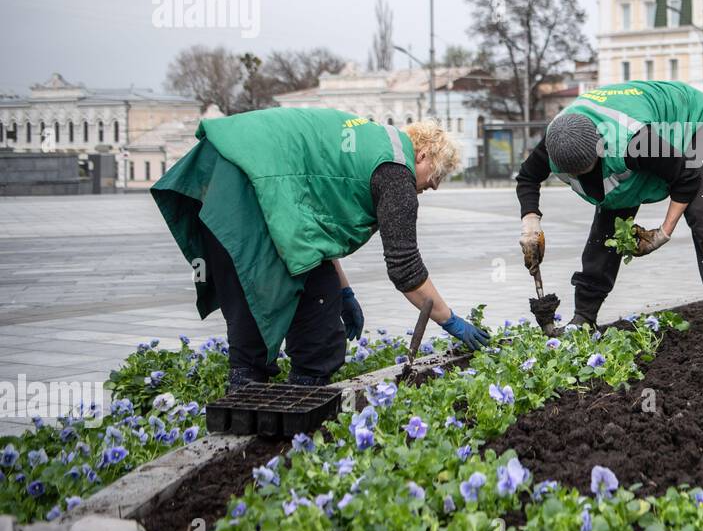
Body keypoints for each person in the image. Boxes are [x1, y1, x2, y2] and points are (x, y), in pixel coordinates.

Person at [152, 108, 489, 389]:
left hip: (224, 173)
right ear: (423, 154)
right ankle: (299, 409)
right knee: (318, 330)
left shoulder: (371, 144)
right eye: (435, 177)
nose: (431, 187)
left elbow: (314, 230)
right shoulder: (395, 172)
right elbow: (406, 268)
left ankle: (244, 394)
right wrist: (452, 322)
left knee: (253, 301)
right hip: (253, 182)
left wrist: (343, 291)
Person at [516, 80, 703, 338]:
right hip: (643, 124)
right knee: (611, 214)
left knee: (700, 212)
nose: (577, 177)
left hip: (689, 120)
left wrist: (662, 234)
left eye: (584, 170)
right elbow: (527, 178)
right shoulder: (556, 140)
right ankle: (584, 316)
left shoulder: (634, 142)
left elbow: (686, 179)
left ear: (600, 148)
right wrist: (531, 224)